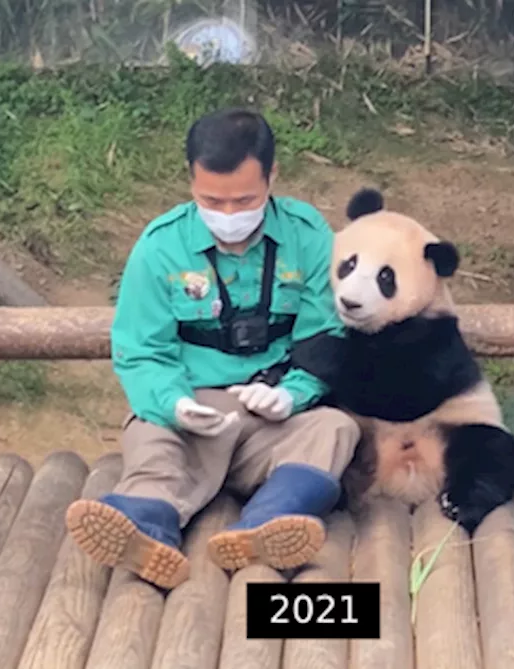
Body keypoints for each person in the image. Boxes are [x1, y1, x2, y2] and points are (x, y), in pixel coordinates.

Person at [64, 108, 359, 588]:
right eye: (211, 200)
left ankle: (265, 523)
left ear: (273, 177)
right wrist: (174, 403)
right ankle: (145, 524)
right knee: (153, 442)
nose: (228, 215)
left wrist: (293, 393)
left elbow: (325, 332)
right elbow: (141, 351)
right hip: (191, 410)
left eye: (244, 200)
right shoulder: (160, 247)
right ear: (190, 182)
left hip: (272, 416)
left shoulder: (308, 236)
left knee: (335, 428)